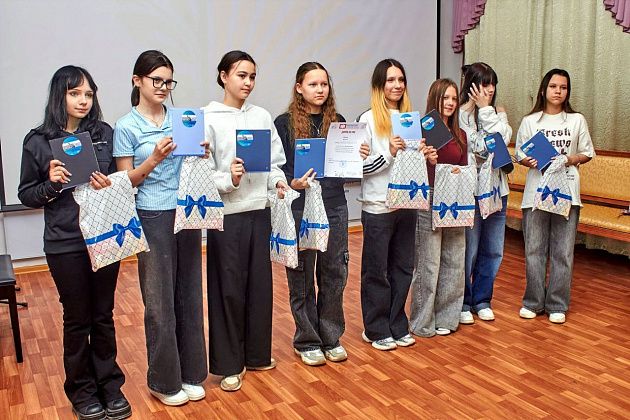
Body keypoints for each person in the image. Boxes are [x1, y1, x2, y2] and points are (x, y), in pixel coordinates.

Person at [18, 65, 130, 420]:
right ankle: (82, 391)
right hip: (65, 242)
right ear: (60, 95)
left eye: (89, 94)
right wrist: (52, 184)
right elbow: (27, 195)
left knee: (103, 315)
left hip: (104, 236)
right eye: (75, 93)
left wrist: (108, 183)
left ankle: (110, 386)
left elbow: (121, 179)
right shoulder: (37, 141)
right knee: (78, 318)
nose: (83, 100)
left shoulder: (104, 133)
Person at [113, 50, 207, 406]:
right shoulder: (126, 126)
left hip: (186, 211)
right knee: (159, 301)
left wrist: (201, 153)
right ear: (137, 81)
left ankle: (191, 373)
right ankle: (163, 380)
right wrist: (153, 158)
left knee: (189, 293)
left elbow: (192, 165)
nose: (164, 87)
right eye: (157, 80)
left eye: (169, 82)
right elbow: (125, 181)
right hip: (151, 214)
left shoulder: (182, 120)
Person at [275, 62, 370, 366]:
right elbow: (278, 168)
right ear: (299, 88)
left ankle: (331, 336)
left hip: (334, 204)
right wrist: (292, 183)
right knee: (301, 274)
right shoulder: (284, 124)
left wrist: (359, 156)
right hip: (299, 205)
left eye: (324, 84)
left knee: (334, 272)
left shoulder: (338, 122)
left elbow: (347, 168)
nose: (320, 89)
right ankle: (307, 340)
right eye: (313, 84)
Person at [203, 50, 288, 391]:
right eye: (241, 75)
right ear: (223, 76)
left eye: (252, 76)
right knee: (228, 290)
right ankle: (228, 364)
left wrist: (278, 183)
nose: (248, 82)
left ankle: (256, 354)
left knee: (259, 287)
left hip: (259, 211)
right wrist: (230, 178)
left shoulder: (261, 116)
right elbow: (200, 172)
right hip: (226, 215)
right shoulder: (207, 117)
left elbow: (275, 162)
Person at [358, 59, 437, 351]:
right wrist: (390, 152)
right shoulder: (367, 119)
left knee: (403, 268)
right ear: (379, 85)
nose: (397, 85)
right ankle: (375, 329)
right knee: (376, 270)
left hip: (408, 204)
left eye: (401, 80)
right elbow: (361, 168)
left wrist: (424, 155)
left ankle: (397, 325)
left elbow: (412, 164)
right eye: (390, 80)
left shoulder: (409, 120)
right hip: (378, 206)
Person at [515, 68, 594, 324]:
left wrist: (569, 159)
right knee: (534, 250)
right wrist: (530, 161)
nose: (558, 91)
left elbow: (587, 152)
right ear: (543, 90)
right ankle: (533, 302)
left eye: (563, 87)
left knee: (563, 252)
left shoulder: (576, 120)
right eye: (553, 86)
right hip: (535, 194)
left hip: (567, 193)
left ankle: (557, 304)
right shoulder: (530, 121)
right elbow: (519, 154)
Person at [409, 78, 469, 337]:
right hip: (429, 196)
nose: (451, 103)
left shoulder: (461, 134)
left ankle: (447, 318)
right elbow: (409, 165)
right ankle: (422, 322)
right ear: (435, 98)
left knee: (454, 259)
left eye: (454, 98)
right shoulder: (421, 129)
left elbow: (464, 167)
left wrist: (458, 172)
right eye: (446, 97)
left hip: (455, 197)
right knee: (429, 262)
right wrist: (424, 158)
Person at [458, 63, 513, 325]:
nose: (490, 89)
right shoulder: (459, 115)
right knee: (469, 249)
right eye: (484, 84)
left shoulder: (496, 112)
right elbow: (475, 146)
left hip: (496, 190)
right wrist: (479, 110)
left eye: (493, 84)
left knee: (493, 250)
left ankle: (482, 300)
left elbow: (502, 138)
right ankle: (463, 301)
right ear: (471, 86)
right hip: (470, 192)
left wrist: (487, 110)